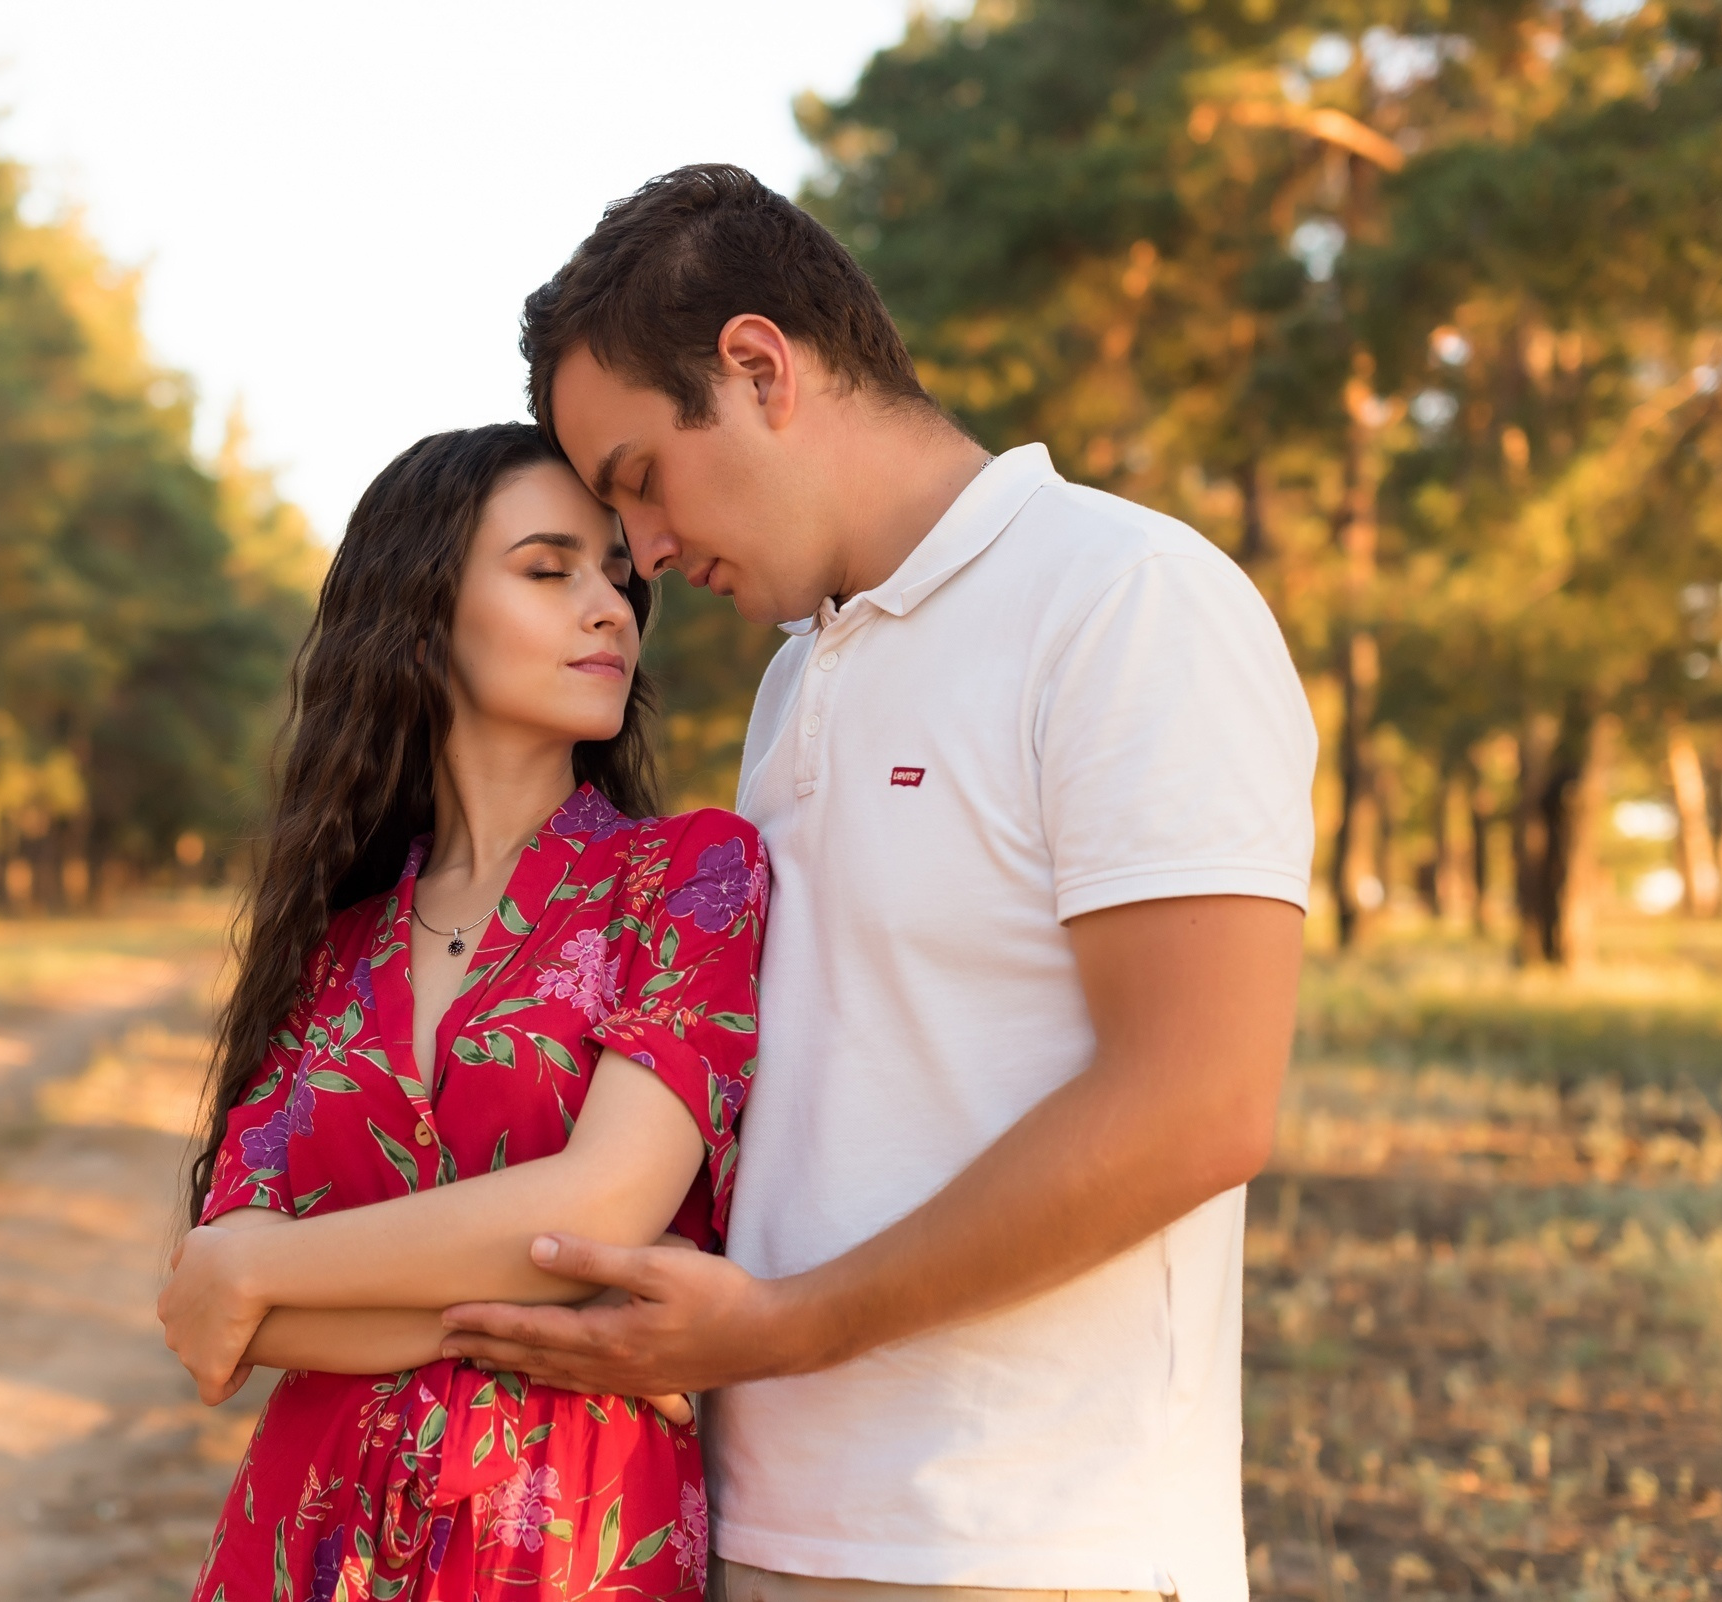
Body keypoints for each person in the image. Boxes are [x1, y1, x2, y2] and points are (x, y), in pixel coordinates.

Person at [438, 166, 1318, 1602]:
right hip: (761, 1520)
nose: (645, 555)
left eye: (641, 481)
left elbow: (1198, 1103)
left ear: (758, 365)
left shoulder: (1125, 601)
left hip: (1027, 1543)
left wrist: (781, 1326)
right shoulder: (797, 681)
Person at [156, 422, 767, 1602]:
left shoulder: (689, 877)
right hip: (310, 1537)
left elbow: (601, 1203)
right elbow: (220, 1314)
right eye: (550, 570)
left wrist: (277, 1270)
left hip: (572, 1541)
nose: (611, 608)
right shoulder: (337, 945)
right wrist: (569, 1313)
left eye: (619, 575)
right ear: (423, 619)